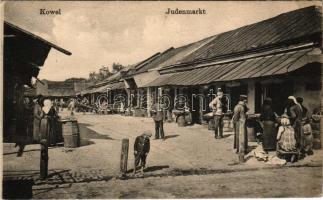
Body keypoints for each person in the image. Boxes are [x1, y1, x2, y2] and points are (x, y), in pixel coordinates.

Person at [232, 95, 248, 162]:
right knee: (240, 137)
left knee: (243, 137)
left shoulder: (243, 106)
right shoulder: (238, 107)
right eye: (245, 100)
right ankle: (240, 150)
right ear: (243, 100)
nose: (246, 101)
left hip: (243, 123)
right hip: (240, 123)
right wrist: (235, 123)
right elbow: (236, 116)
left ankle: (242, 149)